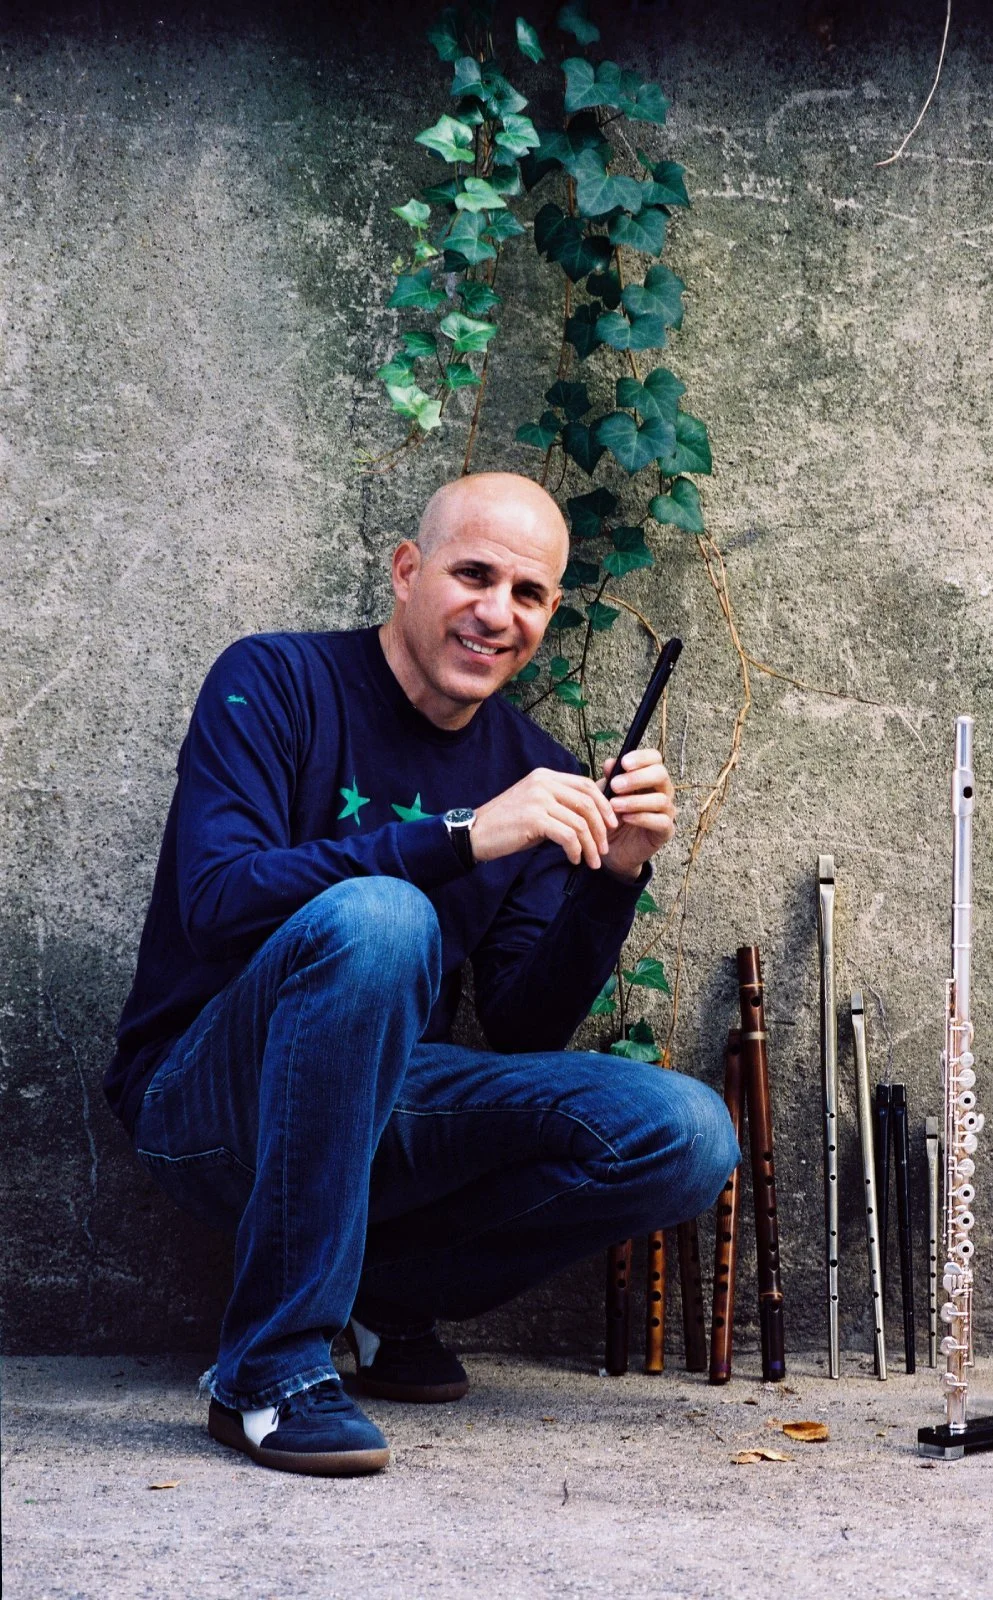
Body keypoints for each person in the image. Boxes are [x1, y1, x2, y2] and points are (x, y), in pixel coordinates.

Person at [102, 472, 737, 1477]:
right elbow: (217, 899)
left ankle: (384, 1288)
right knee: (382, 918)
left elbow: (527, 1027)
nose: (498, 612)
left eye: (528, 594)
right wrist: (456, 837)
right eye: (472, 574)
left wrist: (613, 878)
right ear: (407, 571)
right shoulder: (270, 682)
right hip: (205, 1100)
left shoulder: (530, 769)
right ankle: (265, 1370)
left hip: (386, 1107)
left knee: (687, 1132)